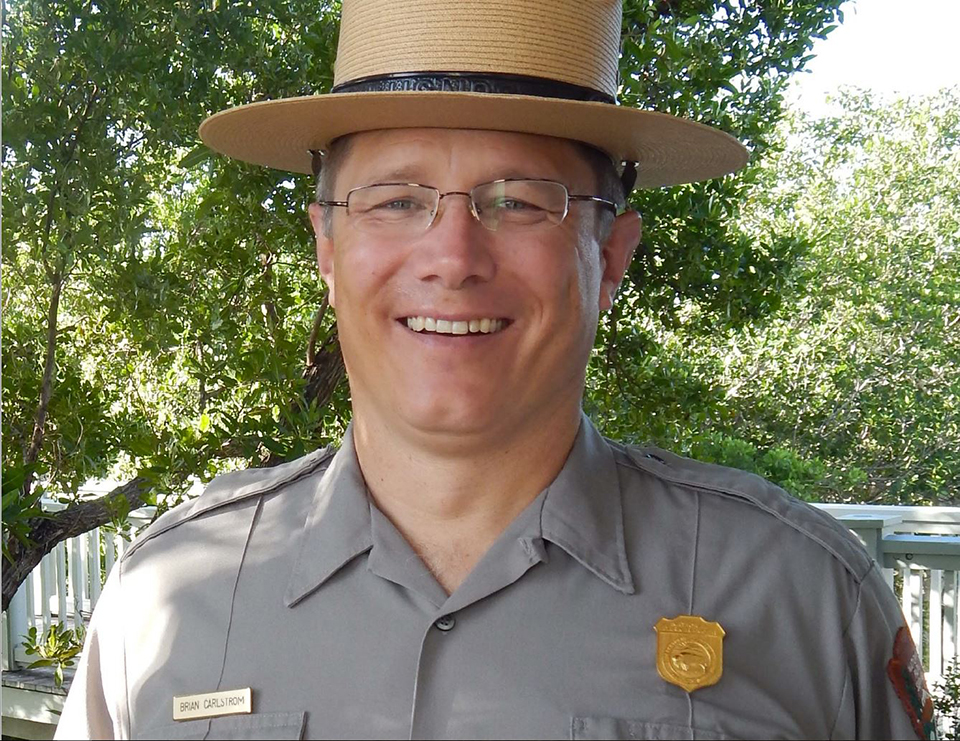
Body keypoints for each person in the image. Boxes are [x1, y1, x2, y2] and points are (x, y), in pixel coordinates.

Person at [57, 1, 934, 739]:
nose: (451, 255)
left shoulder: (804, 600)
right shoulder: (165, 602)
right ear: (326, 245)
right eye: (395, 200)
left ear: (612, 252)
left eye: (517, 201)